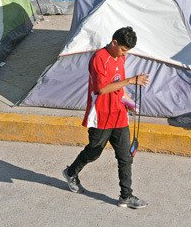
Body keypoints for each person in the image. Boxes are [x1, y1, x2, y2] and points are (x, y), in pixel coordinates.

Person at [62, 27, 151, 209]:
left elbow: (119, 84)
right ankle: (71, 172)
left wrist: (128, 101)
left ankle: (126, 196)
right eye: (123, 49)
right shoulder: (99, 59)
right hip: (101, 116)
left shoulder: (120, 57)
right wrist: (131, 80)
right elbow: (102, 89)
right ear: (114, 42)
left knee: (125, 157)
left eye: (127, 51)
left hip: (118, 114)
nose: (124, 54)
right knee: (94, 151)